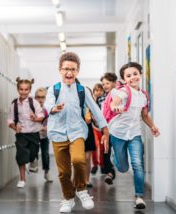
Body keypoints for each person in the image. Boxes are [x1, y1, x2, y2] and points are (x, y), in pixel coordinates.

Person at [44, 52, 109, 213]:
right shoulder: (54, 89)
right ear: (60, 70)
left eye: (73, 69)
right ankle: (68, 198)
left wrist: (105, 130)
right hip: (58, 134)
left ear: (77, 71)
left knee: (80, 160)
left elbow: (96, 110)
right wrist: (54, 108)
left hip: (77, 132)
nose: (69, 72)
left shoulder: (82, 90)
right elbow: (47, 105)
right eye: (66, 69)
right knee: (63, 172)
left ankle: (81, 189)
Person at [108, 62, 160, 209]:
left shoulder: (143, 95)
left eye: (135, 74)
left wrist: (153, 126)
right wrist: (115, 107)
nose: (133, 77)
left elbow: (144, 115)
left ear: (140, 74)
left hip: (135, 133)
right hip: (118, 133)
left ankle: (139, 197)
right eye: (128, 75)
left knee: (138, 164)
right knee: (123, 168)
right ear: (124, 79)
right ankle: (115, 158)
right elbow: (113, 103)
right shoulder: (123, 91)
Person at [7, 78, 44, 188]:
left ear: (29, 90)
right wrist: (15, 127)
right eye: (21, 89)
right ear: (18, 89)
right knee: (21, 156)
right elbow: (10, 120)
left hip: (33, 134)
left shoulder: (34, 103)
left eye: (26, 89)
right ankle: (22, 179)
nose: (23, 92)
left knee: (32, 154)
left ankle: (34, 160)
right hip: (21, 134)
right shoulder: (14, 104)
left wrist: (35, 118)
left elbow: (41, 116)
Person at [99, 73, 118, 184]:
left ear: (114, 83)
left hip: (117, 129)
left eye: (107, 83)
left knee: (116, 153)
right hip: (106, 128)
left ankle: (113, 170)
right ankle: (110, 173)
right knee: (105, 151)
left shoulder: (119, 95)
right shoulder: (102, 97)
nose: (105, 85)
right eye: (103, 84)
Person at [34, 87, 53, 182]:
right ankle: (34, 163)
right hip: (34, 134)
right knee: (34, 151)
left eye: (42, 97)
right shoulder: (32, 109)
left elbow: (51, 122)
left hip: (44, 135)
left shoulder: (47, 110)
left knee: (45, 154)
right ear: (35, 98)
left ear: (45, 98)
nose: (40, 100)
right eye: (38, 97)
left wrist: (45, 128)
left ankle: (47, 171)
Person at [90, 83, 105, 175]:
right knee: (94, 147)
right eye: (97, 90)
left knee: (102, 147)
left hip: (103, 127)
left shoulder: (104, 100)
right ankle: (95, 165)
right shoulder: (91, 100)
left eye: (100, 90)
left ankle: (102, 165)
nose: (99, 92)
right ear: (94, 91)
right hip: (94, 127)